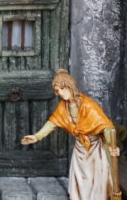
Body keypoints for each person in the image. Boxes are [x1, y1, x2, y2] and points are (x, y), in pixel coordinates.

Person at [21, 69, 120, 200]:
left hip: (94, 149)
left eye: (63, 89)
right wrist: (36, 136)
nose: (61, 93)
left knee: (95, 178)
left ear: (70, 86)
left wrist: (112, 145)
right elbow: (53, 122)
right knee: (80, 178)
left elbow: (106, 127)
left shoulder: (88, 105)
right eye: (58, 91)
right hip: (80, 149)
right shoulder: (64, 106)